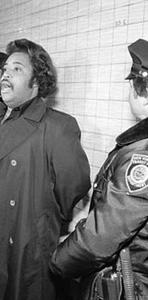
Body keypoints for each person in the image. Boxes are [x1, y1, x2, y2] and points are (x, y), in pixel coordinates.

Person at [0, 38, 91, 300]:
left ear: (36, 81)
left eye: (17, 69)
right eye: (5, 69)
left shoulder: (56, 126)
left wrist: (40, 217)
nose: (5, 75)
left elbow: (74, 185)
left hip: (23, 240)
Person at [50, 38, 148, 299]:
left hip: (133, 284)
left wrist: (59, 260)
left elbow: (103, 236)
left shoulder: (141, 154)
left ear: (142, 94)